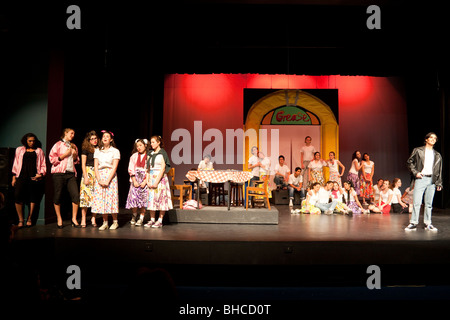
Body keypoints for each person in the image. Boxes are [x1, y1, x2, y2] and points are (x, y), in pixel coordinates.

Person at [405, 132, 443, 231]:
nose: (433, 139)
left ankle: (428, 223)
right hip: (421, 178)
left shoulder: (437, 155)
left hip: (432, 180)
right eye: (431, 137)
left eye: (435, 138)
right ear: (426, 139)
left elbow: (439, 170)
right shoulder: (418, 150)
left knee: (429, 203)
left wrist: (439, 183)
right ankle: (413, 223)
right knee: (417, 202)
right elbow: (409, 162)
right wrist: (416, 172)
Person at [11, 133, 46, 228]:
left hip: (33, 177)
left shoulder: (39, 151)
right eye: (30, 141)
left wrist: (41, 174)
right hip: (21, 176)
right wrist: (14, 177)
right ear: (25, 141)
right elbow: (16, 163)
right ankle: (20, 220)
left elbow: (43, 164)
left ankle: (30, 218)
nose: (32, 142)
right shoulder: (19, 150)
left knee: (33, 198)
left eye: (33, 141)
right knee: (18, 196)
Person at [49, 128, 80, 228]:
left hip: (71, 174)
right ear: (65, 133)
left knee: (76, 196)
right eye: (71, 133)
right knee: (58, 196)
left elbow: (76, 161)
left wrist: (75, 157)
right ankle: (59, 219)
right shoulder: (58, 144)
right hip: (59, 173)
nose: (73, 135)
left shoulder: (73, 146)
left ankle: (74, 219)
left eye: (74, 133)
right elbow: (52, 159)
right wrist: (64, 155)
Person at [92, 130, 121, 230]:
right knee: (102, 199)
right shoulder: (97, 151)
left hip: (110, 175)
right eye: (103, 136)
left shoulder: (115, 151)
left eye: (107, 136)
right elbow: (95, 166)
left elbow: (114, 167)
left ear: (111, 139)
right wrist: (99, 179)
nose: (104, 138)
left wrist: (108, 180)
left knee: (111, 198)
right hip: (100, 174)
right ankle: (105, 222)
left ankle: (115, 221)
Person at [145, 136, 173, 228]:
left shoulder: (162, 153)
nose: (151, 144)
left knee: (161, 199)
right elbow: (147, 169)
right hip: (151, 177)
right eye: (151, 142)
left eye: (153, 142)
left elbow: (163, 168)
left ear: (158, 142)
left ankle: (160, 220)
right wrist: (147, 180)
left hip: (160, 178)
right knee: (152, 199)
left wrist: (156, 182)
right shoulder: (150, 153)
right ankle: (152, 219)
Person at [126, 139, 149, 226]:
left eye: (140, 145)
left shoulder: (149, 156)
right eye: (137, 146)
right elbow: (131, 169)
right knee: (134, 199)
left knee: (143, 200)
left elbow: (150, 170)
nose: (139, 147)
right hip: (135, 179)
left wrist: (145, 181)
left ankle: (141, 218)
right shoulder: (134, 156)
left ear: (145, 145)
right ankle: (134, 215)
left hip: (145, 179)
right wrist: (134, 180)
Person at [79, 131, 98, 227]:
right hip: (88, 172)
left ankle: (93, 218)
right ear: (88, 140)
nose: (94, 140)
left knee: (95, 196)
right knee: (85, 197)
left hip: (97, 173)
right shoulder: (85, 150)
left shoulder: (99, 149)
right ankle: (83, 218)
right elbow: (83, 164)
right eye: (92, 139)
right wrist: (86, 177)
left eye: (95, 138)